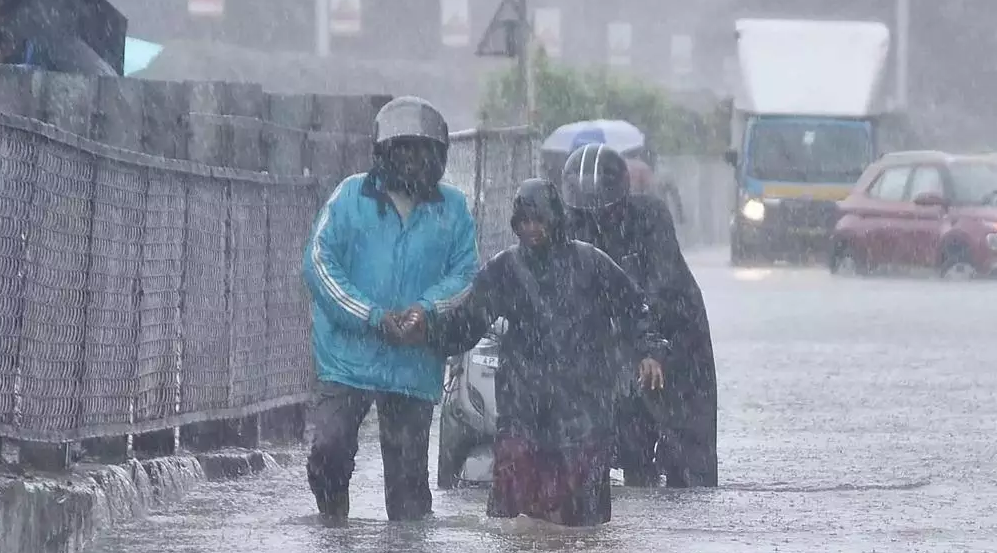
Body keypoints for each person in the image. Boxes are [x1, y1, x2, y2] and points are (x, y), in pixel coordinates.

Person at [419, 180, 666, 527]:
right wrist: (427, 333)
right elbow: (466, 323)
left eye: (539, 220)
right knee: (513, 517)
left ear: (556, 219)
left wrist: (649, 351)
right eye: (523, 222)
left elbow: (635, 308)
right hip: (523, 406)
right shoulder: (504, 270)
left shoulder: (591, 263)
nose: (531, 230)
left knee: (584, 524)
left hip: (584, 411)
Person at [302, 96, 480, 525]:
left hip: (413, 360)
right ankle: (332, 527)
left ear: (438, 157)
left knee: (408, 487)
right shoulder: (349, 196)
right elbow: (320, 263)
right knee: (330, 449)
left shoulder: (453, 209)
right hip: (348, 357)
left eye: (423, 152)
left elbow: (465, 274)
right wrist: (371, 316)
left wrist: (425, 310)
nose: (413, 163)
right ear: (383, 154)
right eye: (403, 151)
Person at [560, 142, 719, 488]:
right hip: (617, 336)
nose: (595, 221)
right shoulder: (568, 224)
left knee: (686, 450)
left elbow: (661, 286)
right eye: (586, 214)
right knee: (616, 432)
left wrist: (649, 346)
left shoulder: (651, 217)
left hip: (676, 330)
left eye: (604, 212)